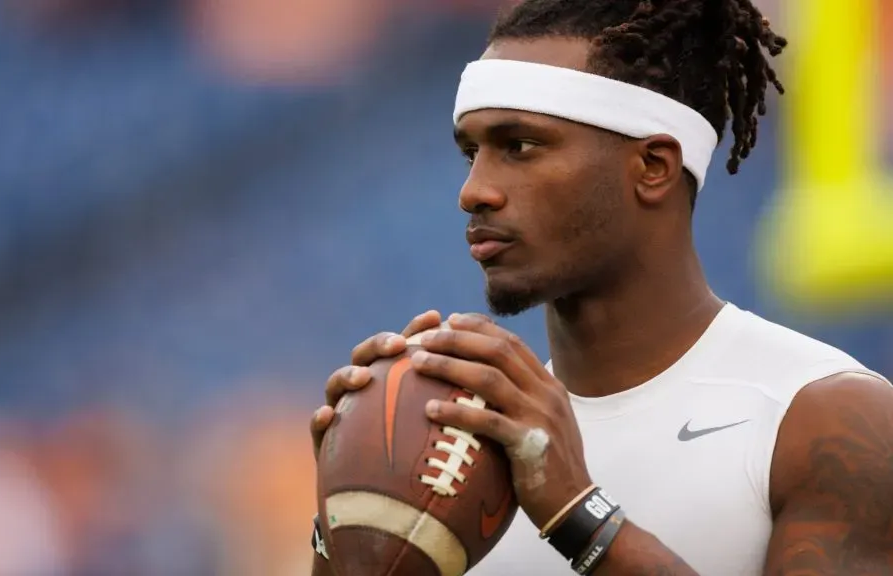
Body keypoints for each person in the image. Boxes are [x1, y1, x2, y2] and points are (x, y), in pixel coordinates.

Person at [307, 0, 893, 574]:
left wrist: (576, 515)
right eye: (471, 153)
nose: (474, 190)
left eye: (520, 146)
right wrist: (347, 532)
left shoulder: (823, 418)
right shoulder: (459, 450)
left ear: (653, 167)